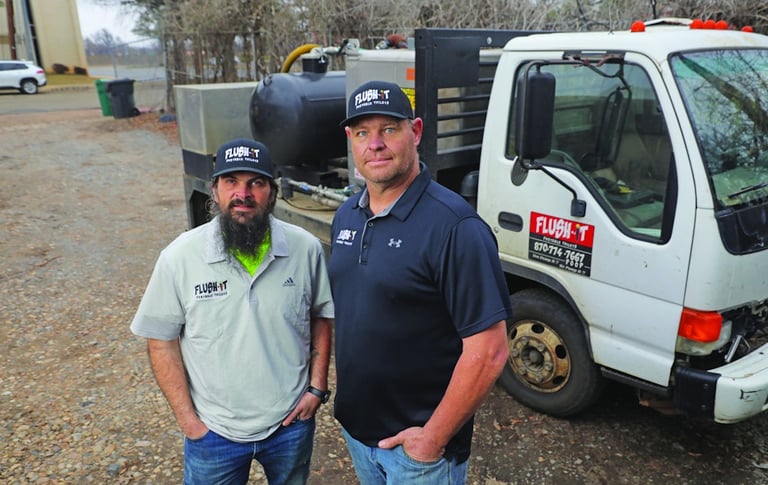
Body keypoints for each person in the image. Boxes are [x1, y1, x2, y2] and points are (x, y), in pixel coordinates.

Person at [329, 80, 512, 484]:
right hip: (358, 434)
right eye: (362, 133)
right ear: (351, 140)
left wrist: (431, 439)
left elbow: (490, 350)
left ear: (415, 131)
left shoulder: (455, 227)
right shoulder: (346, 217)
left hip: (418, 455)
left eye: (388, 129)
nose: (375, 144)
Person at [130, 138, 334, 485]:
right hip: (214, 433)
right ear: (214, 190)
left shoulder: (305, 249)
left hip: (290, 425)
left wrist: (316, 388)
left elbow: (320, 316)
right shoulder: (180, 257)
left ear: (272, 192)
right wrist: (190, 423)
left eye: (256, 183)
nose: (243, 193)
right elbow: (161, 341)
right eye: (231, 181)